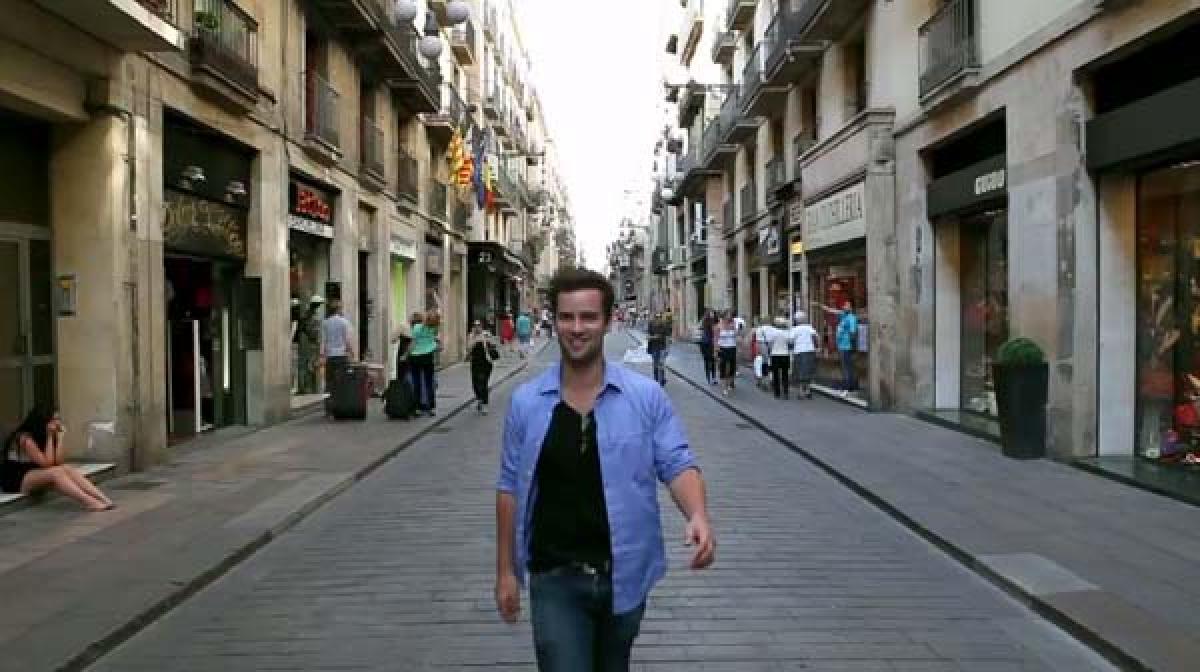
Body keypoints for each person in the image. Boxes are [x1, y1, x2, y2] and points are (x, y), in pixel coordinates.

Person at [495, 267, 714, 672]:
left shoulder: (644, 397)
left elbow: (677, 462)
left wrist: (697, 514)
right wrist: (505, 571)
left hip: (625, 576)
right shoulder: (527, 402)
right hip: (554, 577)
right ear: (554, 321)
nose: (577, 328)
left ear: (608, 321)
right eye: (567, 317)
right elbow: (509, 486)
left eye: (588, 317)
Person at [1, 407, 113, 511]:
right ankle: (90, 503)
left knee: (66, 468)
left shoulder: (43, 434)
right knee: (56, 473)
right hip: (16, 479)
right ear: (43, 421)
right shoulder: (25, 438)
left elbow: (58, 462)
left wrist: (60, 438)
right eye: (54, 419)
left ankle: (103, 498)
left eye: (58, 419)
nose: (58, 423)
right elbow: (47, 464)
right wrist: (50, 436)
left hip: (34, 473)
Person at [320, 299, 355, 415]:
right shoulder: (344, 322)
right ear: (339, 309)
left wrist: (322, 356)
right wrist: (351, 352)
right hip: (341, 356)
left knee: (329, 383)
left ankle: (328, 408)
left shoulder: (325, 323)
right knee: (342, 382)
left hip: (330, 357)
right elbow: (347, 340)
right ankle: (341, 406)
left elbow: (323, 341)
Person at [409, 311, 441, 417]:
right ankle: (431, 407)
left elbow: (413, 343)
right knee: (429, 383)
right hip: (427, 357)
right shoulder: (434, 329)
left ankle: (417, 408)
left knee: (416, 383)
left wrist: (406, 355)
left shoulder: (416, 327)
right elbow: (435, 339)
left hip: (415, 357)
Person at [825, 301, 859, 397]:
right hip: (841, 345)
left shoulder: (851, 318)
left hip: (847, 346)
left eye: (847, 306)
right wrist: (823, 307)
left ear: (851, 308)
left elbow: (853, 333)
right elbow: (834, 311)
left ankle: (848, 389)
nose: (844, 307)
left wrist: (852, 346)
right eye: (844, 305)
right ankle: (848, 387)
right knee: (845, 367)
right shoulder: (844, 315)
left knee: (847, 368)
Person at [467, 320, 498, 415]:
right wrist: (475, 340)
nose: (477, 328)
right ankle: (479, 398)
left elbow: (494, 344)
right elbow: (468, 349)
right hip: (475, 363)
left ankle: (484, 404)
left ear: (481, 326)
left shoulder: (486, 334)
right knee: (475, 384)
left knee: (483, 383)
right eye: (475, 326)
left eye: (479, 326)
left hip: (486, 363)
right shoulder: (471, 336)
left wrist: (487, 340)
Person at [791, 311, 819, 399]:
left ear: (797, 320)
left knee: (800, 371)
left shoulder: (795, 329)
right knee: (808, 371)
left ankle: (801, 392)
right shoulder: (809, 327)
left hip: (799, 351)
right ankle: (808, 390)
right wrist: (817, 347)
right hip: (809, 351)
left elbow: (790, 340)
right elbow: (816, 337)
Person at [768, 316, 794, 400]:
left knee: (776, 374)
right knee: (785, 374)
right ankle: (786, 392)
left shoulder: (773, 332)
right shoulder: (787, 332)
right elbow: (791, 342)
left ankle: (777, 392)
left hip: (775, 354)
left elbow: (769, 343)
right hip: (785, 354)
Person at [715, 310, 739, 396]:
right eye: (728, 315)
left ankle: (729, 383)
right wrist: (716, 350)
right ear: (724, 316)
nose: (730, 316)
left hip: (732, 348)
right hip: (722, 348)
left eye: (731, 315)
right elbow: (716, 339)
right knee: (723, 367)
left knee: (732, 367)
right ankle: (724, 388)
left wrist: (734, 329)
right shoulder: (719, 326)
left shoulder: (733, 324)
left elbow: (736, 336)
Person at [646, 312, 670, 386]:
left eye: (658, 318)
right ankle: (659, 380)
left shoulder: (662, 324)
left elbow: (667, 337)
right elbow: (649, 335)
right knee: (658, 363)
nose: (657, 319)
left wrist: (651, 338)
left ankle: (659, 380)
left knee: (658, 363)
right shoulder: (654, 324)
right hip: (658, 347)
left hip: (658, 347)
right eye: (657, 318)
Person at [698, 310, 717, 385]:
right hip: (705, 344)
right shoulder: (704, 322)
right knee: (707, 361)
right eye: (711, 313)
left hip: (711, 344)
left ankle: (713, 378)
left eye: (713, 313)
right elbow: (700, 331)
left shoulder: (715, 322)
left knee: (712, 361)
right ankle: (708, 378)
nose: (712, 315)